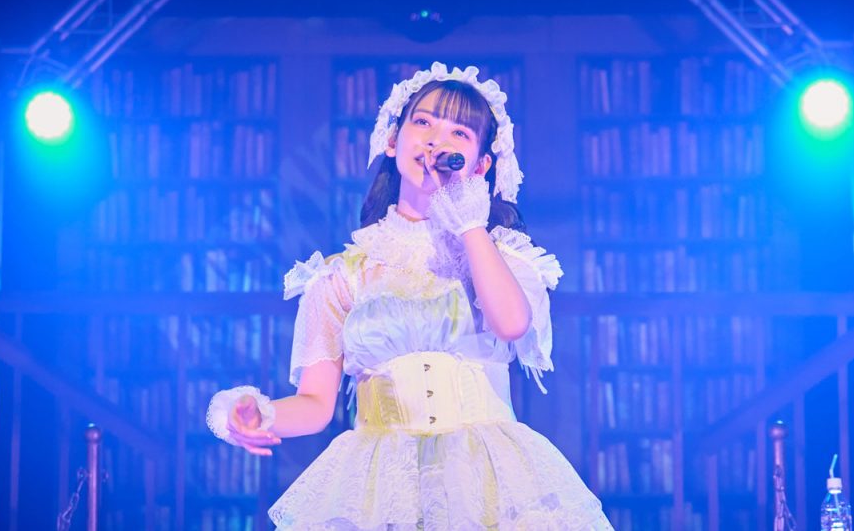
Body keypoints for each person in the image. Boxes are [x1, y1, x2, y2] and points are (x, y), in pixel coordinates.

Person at [206, 62, 611, 529]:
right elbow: (315, 403)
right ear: (393, 140)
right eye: (423, 122)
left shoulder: (502, 257)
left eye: (459, 132)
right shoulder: (342, 275)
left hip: (485, 476)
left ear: (481, 164)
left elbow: (512, 324)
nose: (436, 140)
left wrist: (469, 222)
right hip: (381, 482)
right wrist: (259, 414)